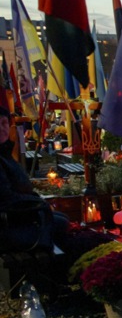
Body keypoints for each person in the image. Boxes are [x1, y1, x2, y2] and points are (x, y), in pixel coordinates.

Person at [0, 106, 68, 250]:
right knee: (62, 224)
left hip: (23, 214)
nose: (1, 128)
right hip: (14, 221)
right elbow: (6, 198)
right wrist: (38, 203)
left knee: (63, 218)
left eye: (4, 123)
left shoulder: (5, 153)